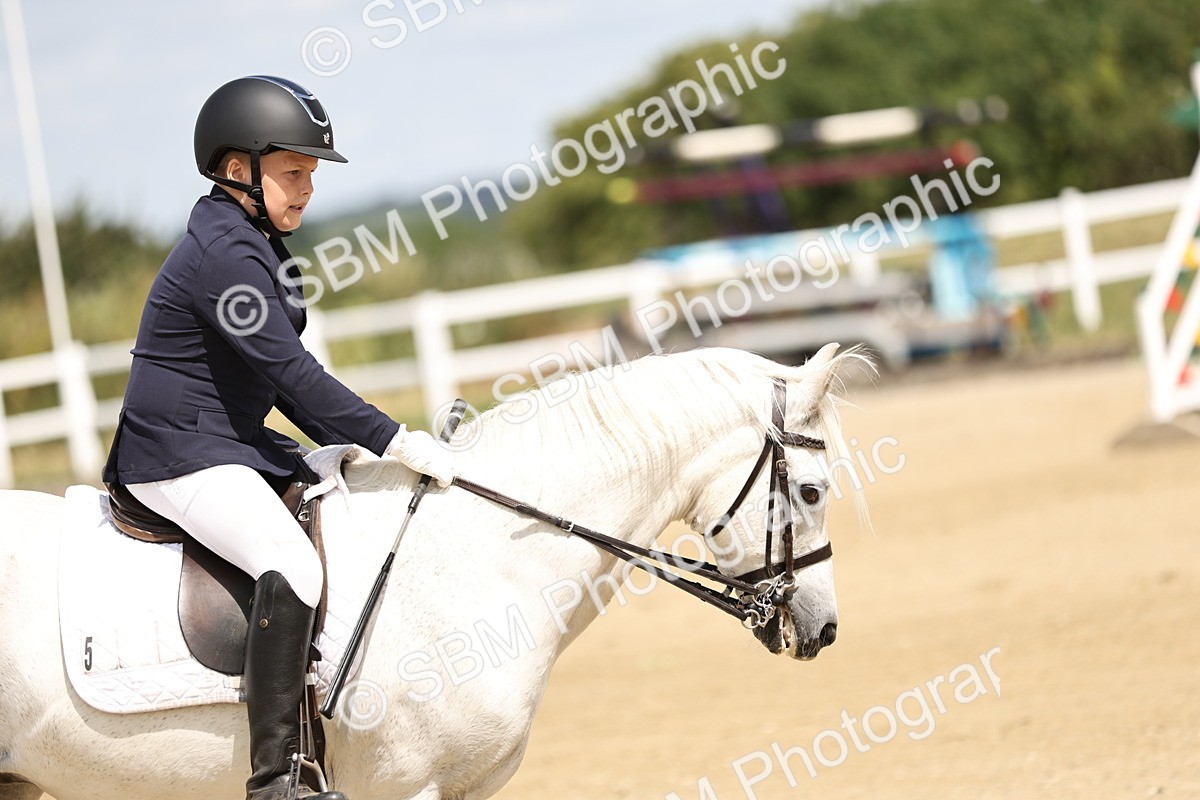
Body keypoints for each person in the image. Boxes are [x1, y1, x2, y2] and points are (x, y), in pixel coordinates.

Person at [101, 75, 453, 800]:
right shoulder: (227, 252)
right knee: (290, 561)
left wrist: (356, 446)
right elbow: (291, 373)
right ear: (239, 170)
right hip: (179, 451)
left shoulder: (248, 236)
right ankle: (277, 779)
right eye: (293, 171)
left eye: (312, 174)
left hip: (228, 437)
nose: (307, 188)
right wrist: (392, 438)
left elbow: (284, 381)